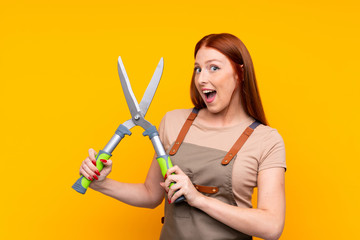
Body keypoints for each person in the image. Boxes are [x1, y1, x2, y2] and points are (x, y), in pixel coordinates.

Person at [79, 33, 286, 240]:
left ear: (239, 73)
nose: (202, 78)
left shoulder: (266, 140)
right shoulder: (173, 122)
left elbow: (271, 226)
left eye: (213, 68)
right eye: (198, 69)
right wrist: (100, 183)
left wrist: (198, 199)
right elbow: (151, 194)